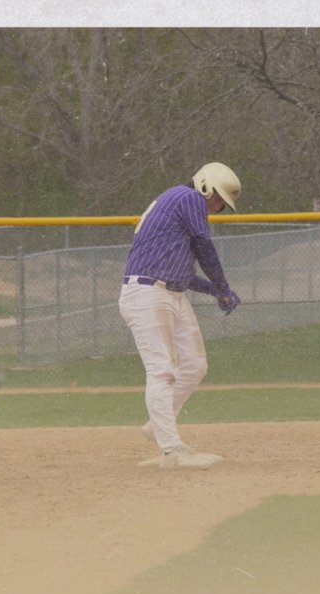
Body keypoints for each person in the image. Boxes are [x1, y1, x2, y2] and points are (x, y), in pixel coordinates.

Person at [119, 163, 242, 469]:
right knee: (161, 370)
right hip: (147, 293)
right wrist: (223, 286)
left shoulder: (179, 209)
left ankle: (158, 425)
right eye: (217, 199)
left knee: (195, 365)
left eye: (223, 206)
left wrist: (216, 291)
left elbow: (184, 275)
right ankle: (172, 451)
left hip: (170, 292)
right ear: (204, 185)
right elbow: (205, 247)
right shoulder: (186, 197)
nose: (217, 207)